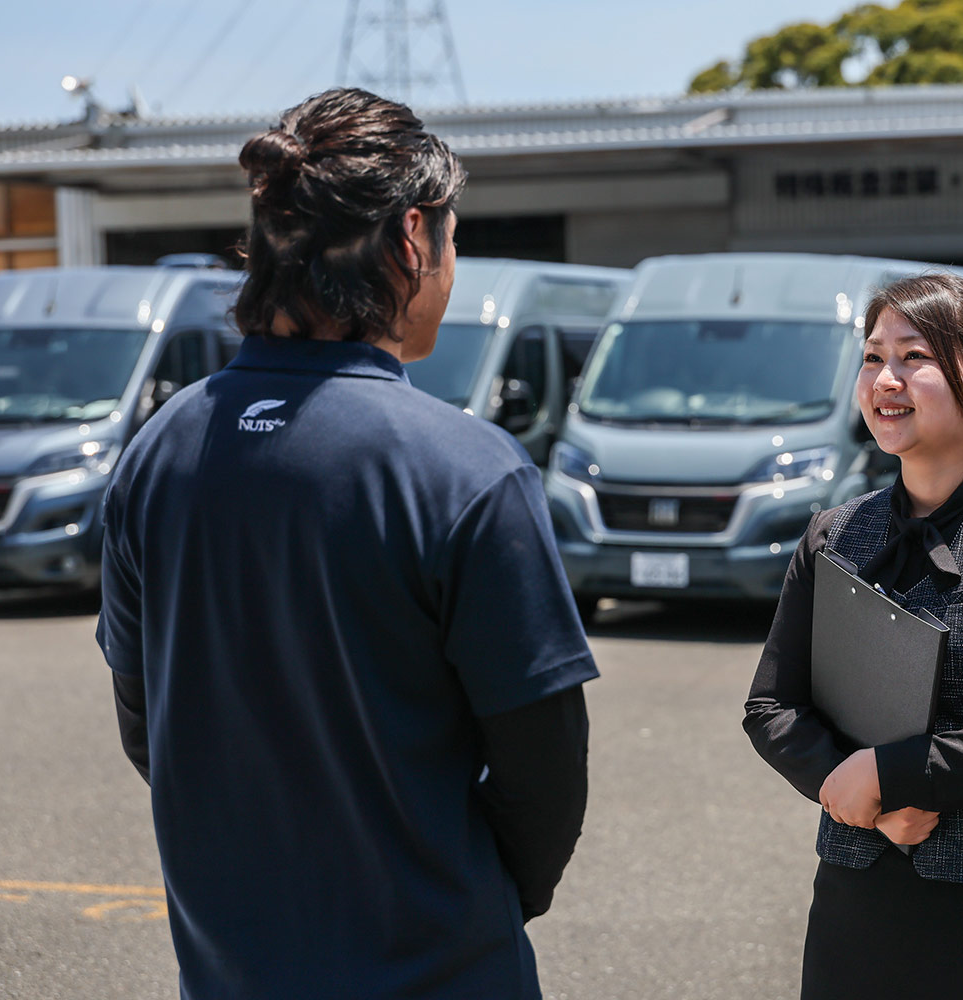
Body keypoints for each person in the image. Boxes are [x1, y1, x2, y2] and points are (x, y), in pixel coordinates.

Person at [97, 88, 596, 1000]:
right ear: (413, 238)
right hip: (440, 965)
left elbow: (147, 725)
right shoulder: (463, 467)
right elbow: (545, 768)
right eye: (454, 238)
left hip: (229, 965)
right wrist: (469, 893)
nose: (455, 265)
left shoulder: (159, 451)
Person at [744, 272, 963, 999]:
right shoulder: (835, 535)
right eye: (874, 357)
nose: (886, 378)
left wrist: (891, 774)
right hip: (861, 915)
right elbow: (770, 709)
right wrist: (847, 789)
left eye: (914, 357)